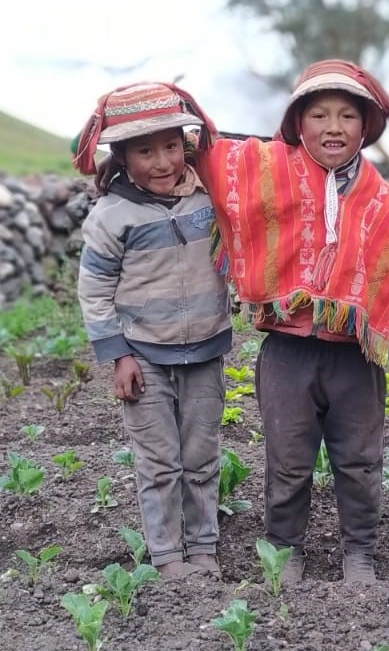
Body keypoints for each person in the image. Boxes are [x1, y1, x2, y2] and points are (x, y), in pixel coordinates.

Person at [91, 60, 389, 586]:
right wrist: (151, 138)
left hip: (355, 357)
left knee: (360, 462)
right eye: (319, 115)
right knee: (287, 462)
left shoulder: (377, 196)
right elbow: (200, 155)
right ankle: (285, 551)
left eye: (348, 116)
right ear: (296, 123)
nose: (333, 127)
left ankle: (361, 555)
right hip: (287, 353)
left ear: (365, 126)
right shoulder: (265, 173)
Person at [74, 82, 231, 579]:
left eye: (171, 146)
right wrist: (117, 354)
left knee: (202, 456)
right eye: (145, 151)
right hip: (142, 357)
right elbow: (94, 291)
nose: (162, 161)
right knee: (160, 462)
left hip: (205, 350)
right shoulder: (111, 216)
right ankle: (166, 555)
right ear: (122, 156)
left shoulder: (209, 199)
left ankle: (203, 547)